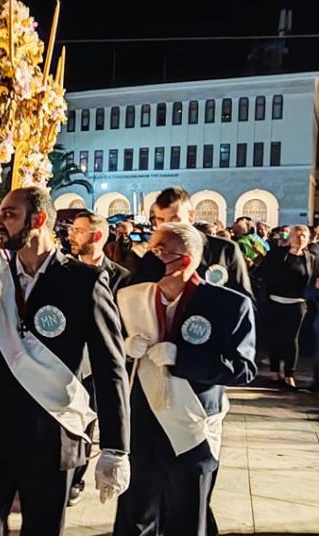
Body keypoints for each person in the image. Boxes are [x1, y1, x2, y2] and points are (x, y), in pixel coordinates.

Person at [0, 187, 131, 535]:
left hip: (51, 433)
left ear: (39, 219)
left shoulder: (84, 281)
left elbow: (110, 366)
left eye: (9, 214)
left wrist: (116, 447)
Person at [113, 222, 257, 536]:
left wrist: (183, 358)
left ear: (185, 260)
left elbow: (243, 368)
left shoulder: (229, 304)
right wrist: (124, 349)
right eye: (151, 248)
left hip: (191, 430)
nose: (150, 257)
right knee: (133, 519)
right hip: (142, 427)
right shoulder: (133, 298)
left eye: (160, 251)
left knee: (186, 520)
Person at [65, 210, 131, 506]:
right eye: (72, 229)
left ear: (98, 236)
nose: (71, 235)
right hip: (66, 361)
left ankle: (75, 479)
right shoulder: (63, 271)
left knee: (86, 422)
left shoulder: (120, 277)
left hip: (95, 363)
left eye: (79, 230)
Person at [133, 187, 253, 300]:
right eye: (161, 220)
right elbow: (139, 297)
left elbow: (244, 300)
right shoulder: (152, 255)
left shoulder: (224, 250)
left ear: (191, 216)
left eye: (175, 219)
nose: (168, 226)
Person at [256, 224, 319, 389]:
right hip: (275, 301)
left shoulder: (311, 258)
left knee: (292, 339)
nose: (300, 239)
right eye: (297, 236)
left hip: (297, 303)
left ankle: (290, 374)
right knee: (274, 337)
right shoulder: (277, 254)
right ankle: (275, 371)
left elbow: (314, 277)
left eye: (303, 236)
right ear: (290, 238)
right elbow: (262, 273)